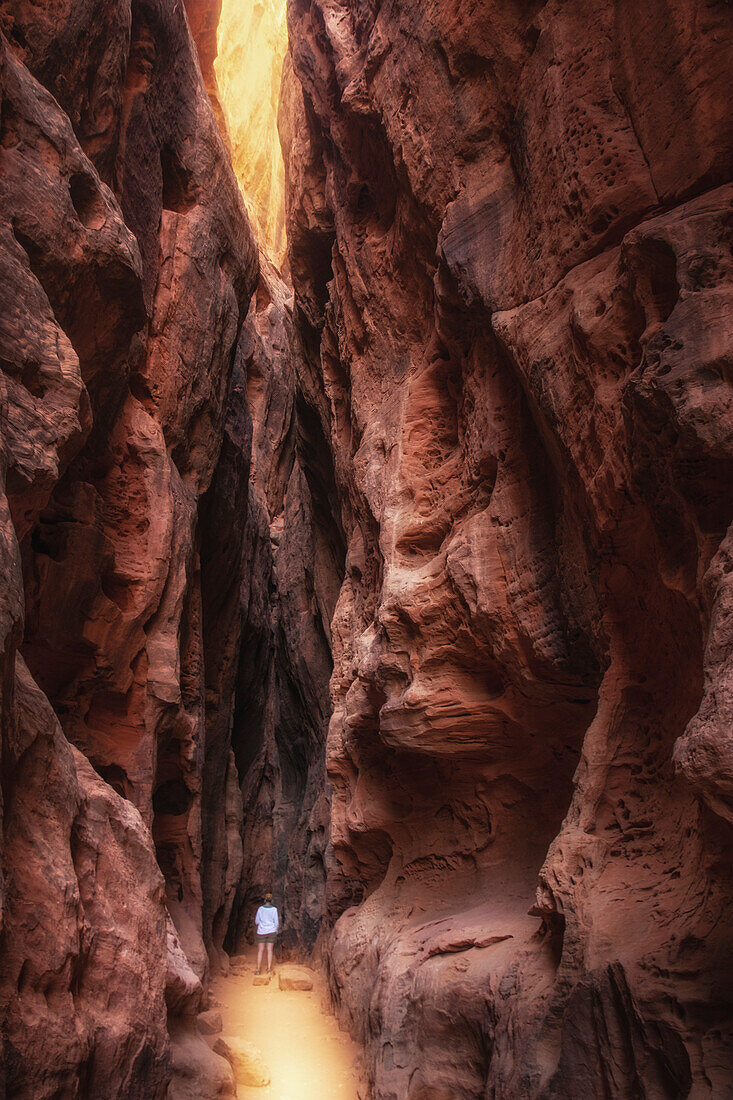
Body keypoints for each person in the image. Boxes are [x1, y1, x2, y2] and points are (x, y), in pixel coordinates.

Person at [255, 892, 279, 973]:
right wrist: (275, 930)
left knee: (260, 950)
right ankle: (268, 968)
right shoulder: (274, 909)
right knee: (270, 950)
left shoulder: (260, 909)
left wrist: (262, 924)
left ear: (265, 900)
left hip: (261, 931)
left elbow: (257, 921)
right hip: (271, 931)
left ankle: (258, 969)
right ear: (271, 900)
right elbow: (276, 923)